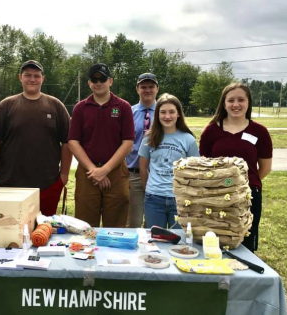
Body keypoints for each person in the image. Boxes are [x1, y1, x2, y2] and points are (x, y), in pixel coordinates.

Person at [0, 60, 72, 216]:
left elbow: (67, 141)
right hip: (8, 183)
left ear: (42, 79)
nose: (32, 79)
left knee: (43, 232)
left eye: (36, 76)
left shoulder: (56, 105)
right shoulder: (6, 105)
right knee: (8, 231)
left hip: (47, 183)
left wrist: (64, 175)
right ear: (20, 77)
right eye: (28, 75)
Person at [199, 82, 273, 252]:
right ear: (224, 104)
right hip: (216, 196)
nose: (236, 104)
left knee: (244, 244)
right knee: (215, 243)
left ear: (248, 102)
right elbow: (204, 165)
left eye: (241, 100)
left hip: (248, 196)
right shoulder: (211, 131)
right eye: (231, 100)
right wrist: (223, 186)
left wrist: (241, 185)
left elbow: (265, 167)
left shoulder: (259, 132)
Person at [68, 63, 135, 227]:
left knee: (116, 224)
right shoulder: (80, 108)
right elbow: (73, 142)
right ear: (89, 83)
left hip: (116, 172)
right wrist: (94, 170)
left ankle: (115, 253)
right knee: (85, 226)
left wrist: (105, 170)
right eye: (94, 79)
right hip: (87, 172)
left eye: (102, 78)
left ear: (110, 81)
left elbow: (128, 142)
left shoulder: (123, 107)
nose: (98, 82)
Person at [139, 93, 199, 229]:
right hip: (153, 199)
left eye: (172, 112)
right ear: (157, 114)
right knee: (154, 240)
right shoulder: (148, 139)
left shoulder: (188, 139)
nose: (167, 116)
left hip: (180, 199)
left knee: (179, 242)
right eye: (163, 112)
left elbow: (195, 171)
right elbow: (143, 169)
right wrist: (150, 189)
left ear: (178, 114)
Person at [125, 73, 159, 228]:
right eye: (143, 87)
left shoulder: (165, 112)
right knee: (133, 222)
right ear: (137, 89)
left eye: (151, 87)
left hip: (159, 175)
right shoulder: (129, 112)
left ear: (157, 89)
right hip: (135, 173)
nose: (147, 90)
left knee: (154, 225)